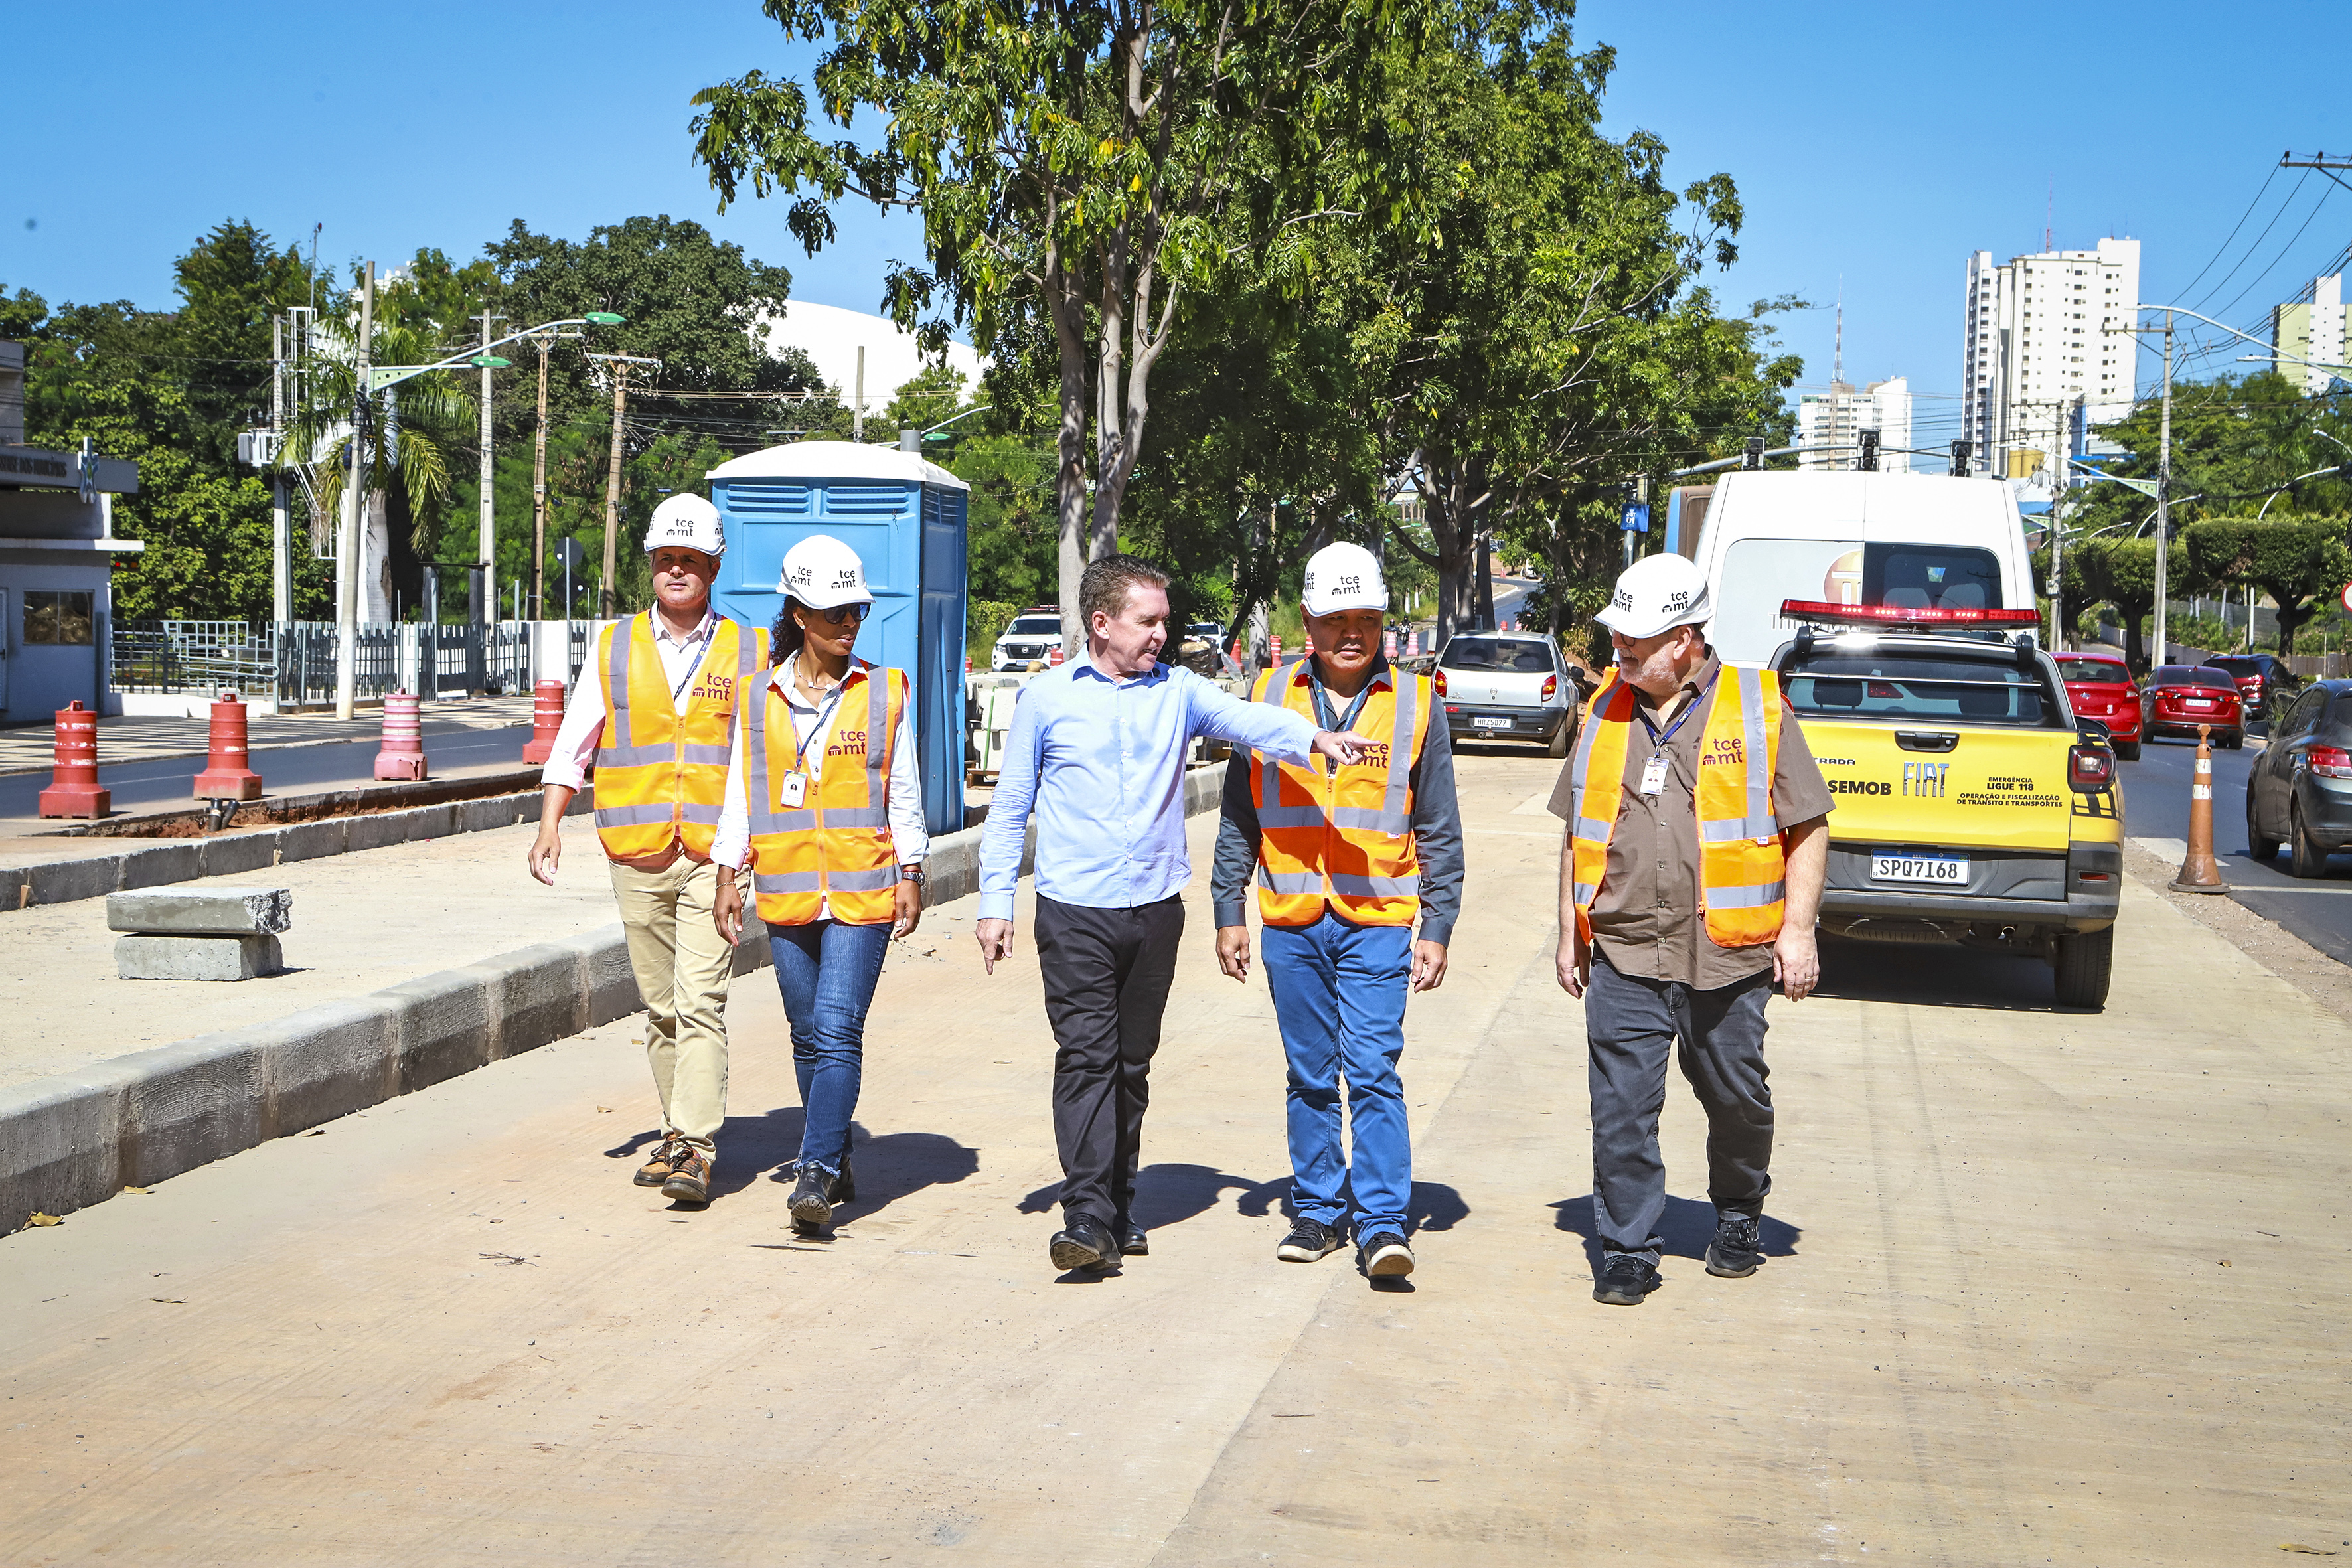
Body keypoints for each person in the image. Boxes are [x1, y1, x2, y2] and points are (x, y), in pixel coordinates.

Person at [975, 553, 1377, 1274]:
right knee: (1087, 1058)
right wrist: (994, 903)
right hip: (1074, 911)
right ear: (1102, 623)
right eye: (1148, 621)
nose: (1162, 633)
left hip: (1155, 910)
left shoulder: (1180, 691)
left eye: (1165, 620)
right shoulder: (1047, 698)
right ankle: (1086, 1214)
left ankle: (1118, 1204)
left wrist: (1313, 738)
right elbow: (1009, 810)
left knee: (1131, 1064)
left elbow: (1249, 720)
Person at [1550, 552, 1832, 1306]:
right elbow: (1577, 828)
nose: (1618, 647)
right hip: (1625, 950)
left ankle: (1738, 1209)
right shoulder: (1604, 710)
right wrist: (1568, 931)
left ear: (1683, 638)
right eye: (1618, 635)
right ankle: (1628, 1248)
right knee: (1619, 1113)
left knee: (1736, 1100)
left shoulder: (1756, 705)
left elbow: (1808, 824)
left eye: (1635, 638)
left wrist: (1798, 931)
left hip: (1726, 957)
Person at [1211, 543, 1464, 1281]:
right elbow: (1239, 815)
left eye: (1366, 619)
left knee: (1374, 1069)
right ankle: (1319, 1211)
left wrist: (1438, 925)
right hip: (1291, 917)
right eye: (1334, 620)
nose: (1351, 634)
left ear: (1383, 620)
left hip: (1377, 918)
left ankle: (1382, 1223)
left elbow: (1439, 824)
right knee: (1310, 1074)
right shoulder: (1266, 695)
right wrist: (1229, 907)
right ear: (1307, 620)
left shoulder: (1417, 703)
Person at [528, 493, 767, 1206]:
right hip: (637, 853)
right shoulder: (613, 646)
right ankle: (673, 1131)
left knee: (701, 1001)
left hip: (716, 857)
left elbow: (767, 752)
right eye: (666, 559)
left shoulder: (751, 650)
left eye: (691, 559)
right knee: (662, 1007)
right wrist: (549, 824)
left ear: (714, 568)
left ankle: (695, 1146)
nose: (677, 570)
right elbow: (574, 742)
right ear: (652, 566)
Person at [711, 534, 927, 1237]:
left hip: (863, 890)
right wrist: (727, 871)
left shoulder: (883, 691)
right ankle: (836, 1155)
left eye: (856, 611)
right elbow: (742, 792)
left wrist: (912, 870)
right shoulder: (758, 697)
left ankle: (814, 1170)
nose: (848, 624)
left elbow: (903, 790)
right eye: (834, 613)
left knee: (837, 1029)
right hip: (787, 887)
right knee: (806, 1036)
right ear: (799, 615)